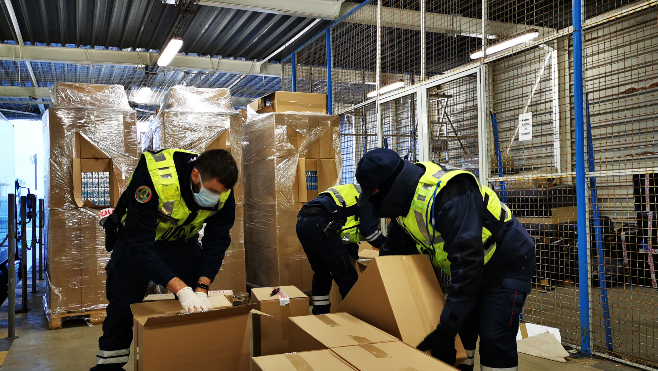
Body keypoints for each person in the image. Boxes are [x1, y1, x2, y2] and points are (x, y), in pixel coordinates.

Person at [355, 148, 535, 371]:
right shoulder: (404, 204)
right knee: (463, 334)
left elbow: (467, 263)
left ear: (387, 188)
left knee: (493, 336)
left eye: (374, 194)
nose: (375, 204)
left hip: (506, 261)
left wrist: (446, 329)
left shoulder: (449, 193)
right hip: (470, 268)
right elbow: (392, 256)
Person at [90, 148, 238, 371]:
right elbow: (140, 247)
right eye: (211, 192)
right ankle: (109, 366)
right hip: (137, 241)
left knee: (197, 307)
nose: (215, 199)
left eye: (220, 193)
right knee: (122, 307)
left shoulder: (222, 189)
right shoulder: (153, 177)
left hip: (181, 242)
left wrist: (200, 287)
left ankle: (185, 361)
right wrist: (181, 289)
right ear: (196, 175)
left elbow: (216, 241)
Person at [296, 184, 386, 314]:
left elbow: (345, 239)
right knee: (347, 275)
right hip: (321, 225)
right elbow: (370, 233)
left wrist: (352, 257)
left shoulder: (353, 191)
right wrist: (389, 246)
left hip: (303, 223)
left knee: (322, 272)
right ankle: (354, 315)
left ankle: (320, 314)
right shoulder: (368, 198)